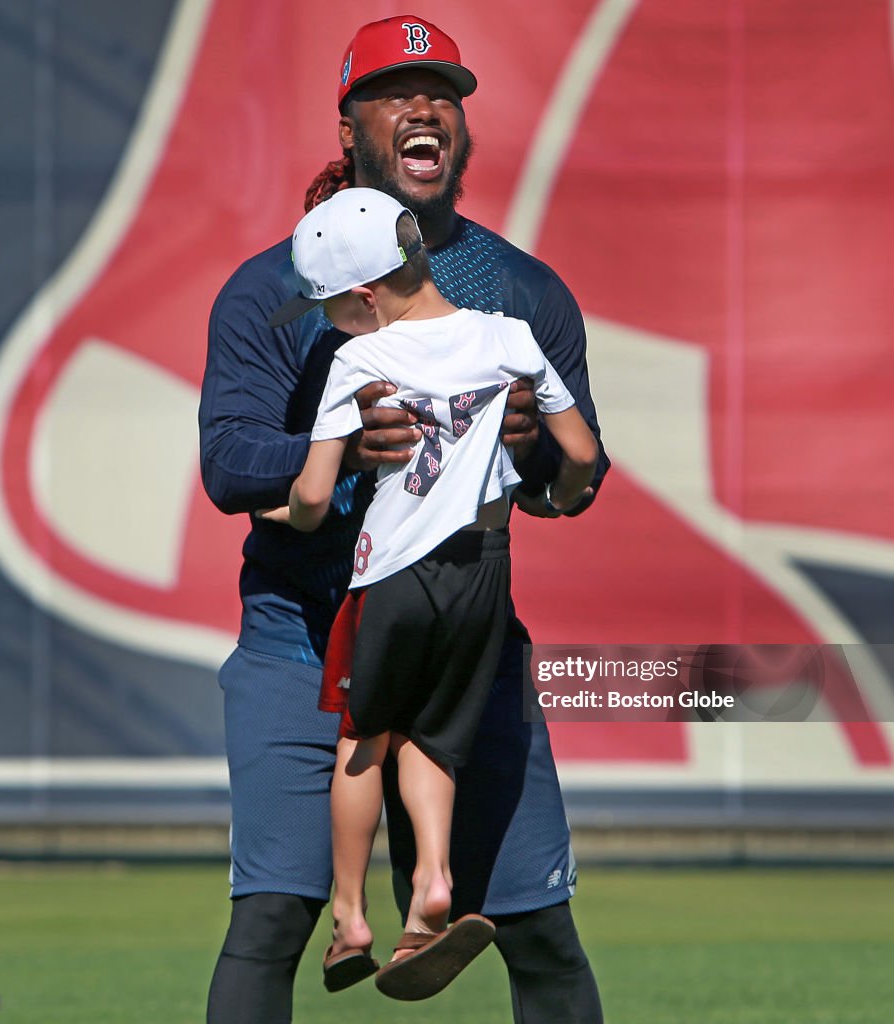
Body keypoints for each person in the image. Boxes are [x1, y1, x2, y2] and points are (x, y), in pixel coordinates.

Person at [199, 14, 610, 1024]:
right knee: (271, 920)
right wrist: (330, 458)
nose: (425, 107)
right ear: (350, 127)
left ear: (459, 127)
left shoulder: (520, 293)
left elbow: (578, 483)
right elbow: (225, 462)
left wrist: (533, 450)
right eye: (394, 91)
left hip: (462, 645)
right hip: (303, 643)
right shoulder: (276, 290)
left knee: (541, 932)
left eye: (445, 92)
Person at [258, 187, 599, 1001]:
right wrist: (548, 496)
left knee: (363, 738)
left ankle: (351, 919)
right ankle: (433, 891)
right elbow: (581, 453)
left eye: (333, 304)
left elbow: (311, 498)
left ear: (366, 295)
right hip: (485, 573)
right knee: (436, 739)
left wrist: (281, 509)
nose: (330, 320)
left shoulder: (360, 358)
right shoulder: (509, 337)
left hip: (392, 578)